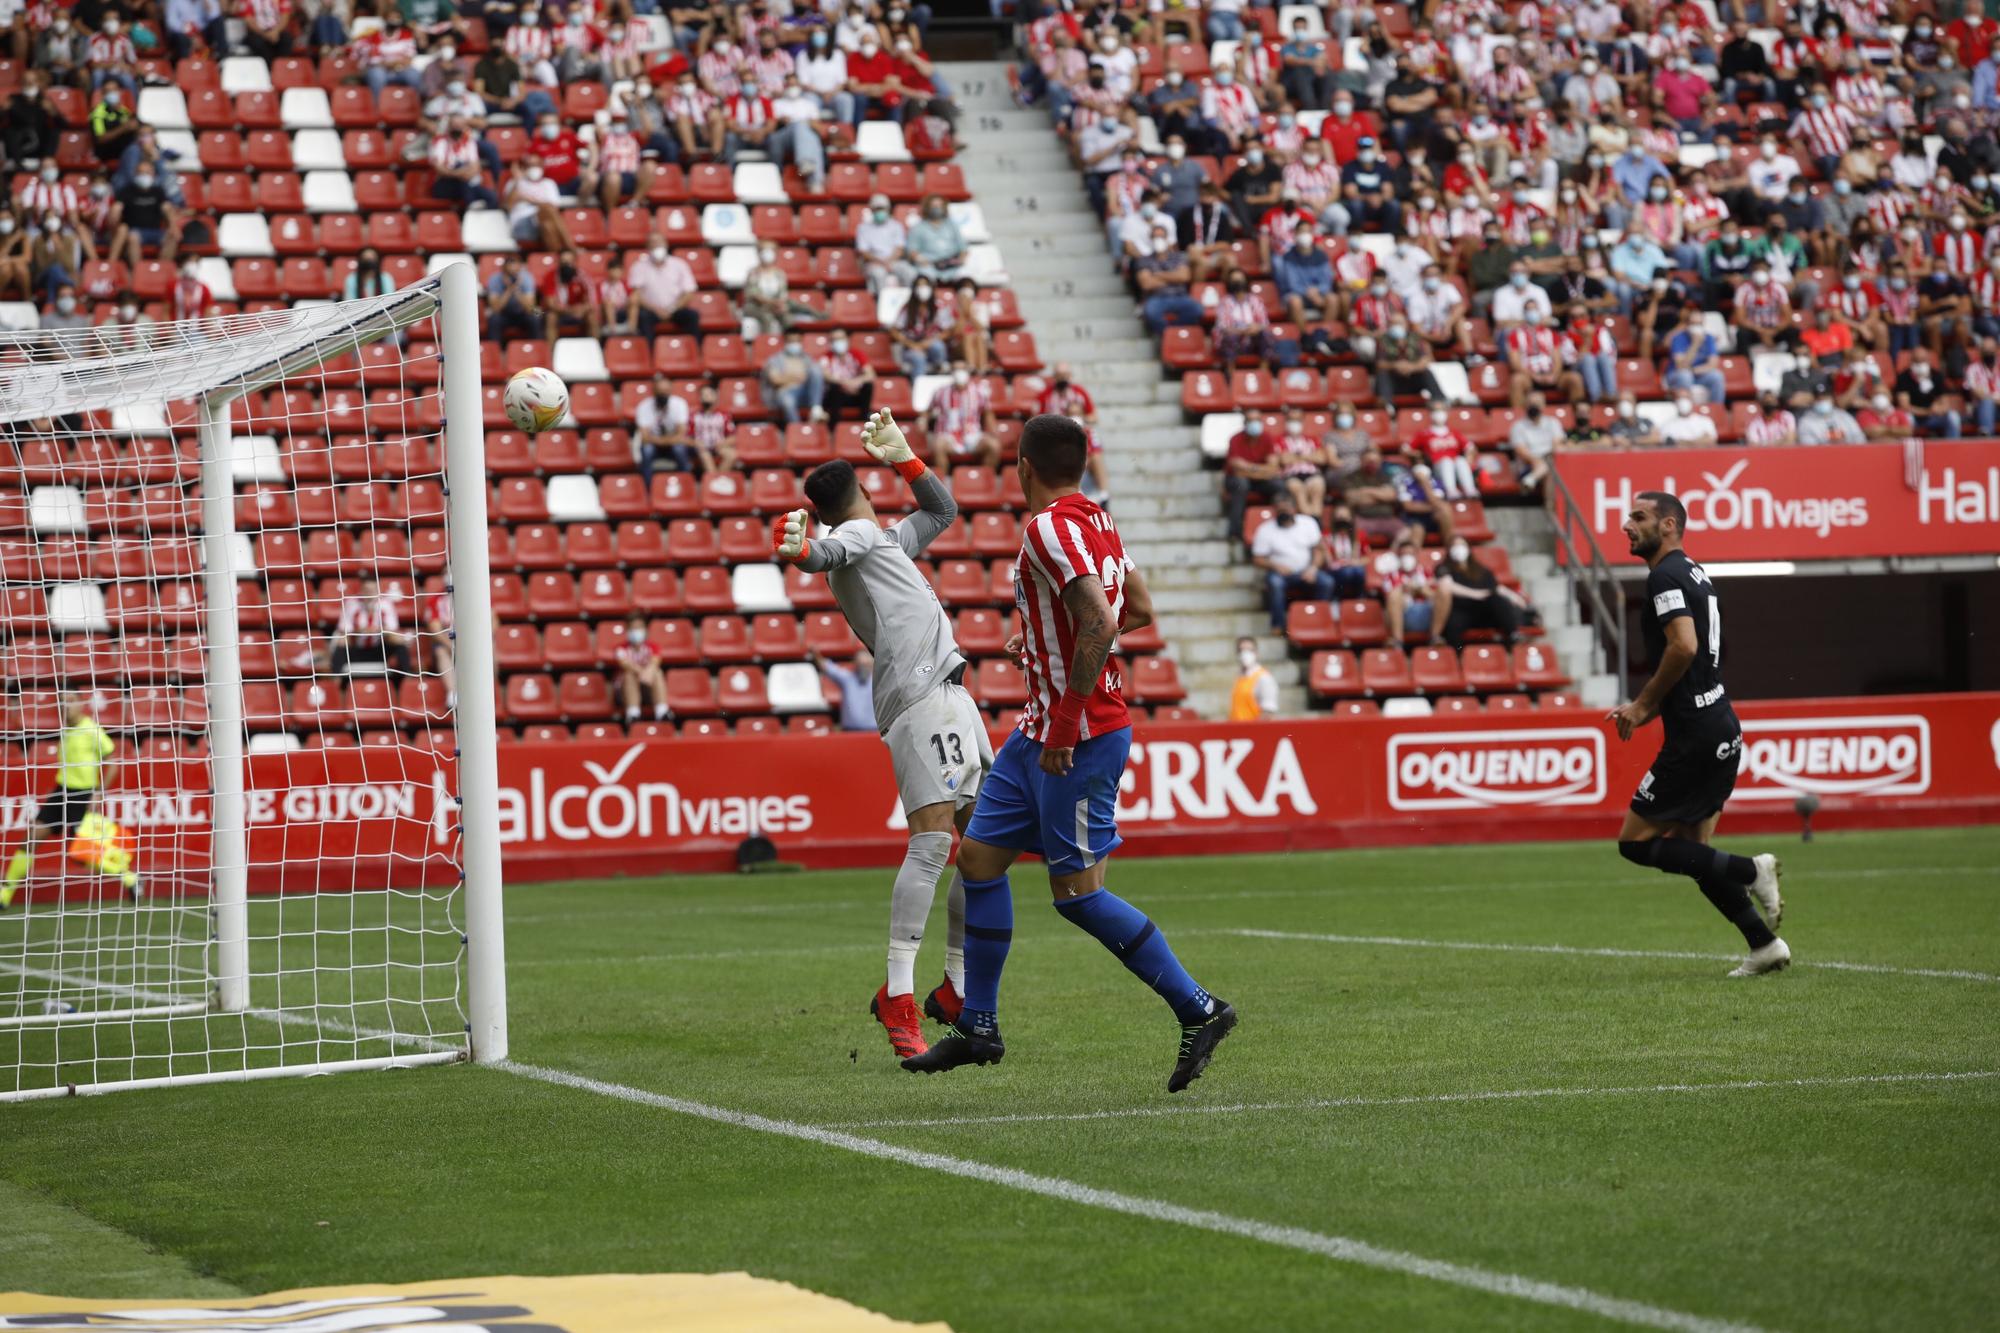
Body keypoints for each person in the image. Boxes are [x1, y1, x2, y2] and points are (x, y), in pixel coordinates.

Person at [904, 415, 1233, 1091]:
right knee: (978, 857)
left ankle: (1200, 1009)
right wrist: (1050, 642)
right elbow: (1133, 605)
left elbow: (1106, 619)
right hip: (1040, 730)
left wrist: (1068, 716)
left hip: (1075, 736)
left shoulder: (1048, 527)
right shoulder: (1097, 522)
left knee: (1079, 896)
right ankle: (980, 1026)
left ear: (1022, 464)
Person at [772, 413, 988, 1060]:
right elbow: (825, 553)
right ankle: (900, 992)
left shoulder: (883, 542)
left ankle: (954, 988)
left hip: (953, 698)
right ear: (858, 491)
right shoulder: (860, 535)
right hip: (923, 699)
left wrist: (908, 458)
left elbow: (942, 510)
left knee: (986, 848)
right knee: (932, 846)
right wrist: (803, 551)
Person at [1609, 492, 1789, 978]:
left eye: (1639, 517)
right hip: (1719, 724)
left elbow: (1684, 645)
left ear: (1669, 525)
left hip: (1694, 735)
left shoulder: (1664, 576)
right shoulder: (1693, 571)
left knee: (1634, 844)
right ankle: (1764, 945)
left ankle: (1752, 870)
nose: (1627, 524)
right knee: (1696, 852)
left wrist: (1645, 704)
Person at [1, 694, 139, 909]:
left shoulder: (91, 729)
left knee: (80, 854)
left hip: (82, 795)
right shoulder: (65, 729)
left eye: (72, 700)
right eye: (62, 701)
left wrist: (98, 792)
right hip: (60, 792)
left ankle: (128, 877)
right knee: (31, 837)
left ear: (81, 704)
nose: (66, 705)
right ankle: (5, 893)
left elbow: (113, 763)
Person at [1250, 491, 1337, 631]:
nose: (1283, 512)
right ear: (1274, 510)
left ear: (1294, 509)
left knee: (1327, 582)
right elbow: (1258, 559)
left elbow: (1319, 550)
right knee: (1275, 583)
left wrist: (1313, 568)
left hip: (1306, 570)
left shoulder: (1308, 523)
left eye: (1286, 509)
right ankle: (1278, 625)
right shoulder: (1265, 529)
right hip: (1280, 573)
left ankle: (1318, 621)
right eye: (1279, 510)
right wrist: (1275, 566)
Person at [1437, 539, 1528, 648]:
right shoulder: (1444, 568)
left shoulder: (1481, 570)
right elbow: (1447, 585)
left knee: (1498, 601)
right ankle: (1457, 657)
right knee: (1453, 625)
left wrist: (1514, 596)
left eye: (1461, 545)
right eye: (1455, 546)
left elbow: (1495, 588)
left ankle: (1514, 635)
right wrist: (1476, 594)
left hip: (1482, 610)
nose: (1458, 549)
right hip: (1460, 610)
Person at [1376, 529, 1450, 643]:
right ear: (1398, 556)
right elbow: (1390, 598)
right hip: (1404, 615)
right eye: (1404, 554)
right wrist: (1411, 589)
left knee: (1445, 590)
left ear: (1416, 555)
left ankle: (1435, 637)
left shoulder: (1427, 573)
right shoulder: (1391, 576)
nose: (1407, 557)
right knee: (1395, 594)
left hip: (1427, 613)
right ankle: (1397, 640)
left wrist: (1419, 590)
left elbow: (1437, 597)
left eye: (1410, 554)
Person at [330, 576, 413, 676]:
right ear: (361, 590)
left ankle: (408, 680)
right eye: (367, 590)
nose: (369, 594)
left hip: (379, 649)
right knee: (342, 642)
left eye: (372, 590)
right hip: (356, 649)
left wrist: (378, 630)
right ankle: (335, 684)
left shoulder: (386, 604)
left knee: (398, 642)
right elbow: (344, 629)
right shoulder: (351, 603)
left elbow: (392, 630)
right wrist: (361, 631)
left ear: (378, 590)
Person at [926, 362, 1000, 471]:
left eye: (962, 369)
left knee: (994, 446)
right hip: (948, 435)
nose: (959, 372)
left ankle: (984, 481)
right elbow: (928, 410)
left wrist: (994, 431)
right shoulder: (940, 392)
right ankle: (942, 485)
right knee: (938, 446)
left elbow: (987, 413)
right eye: (956, 369)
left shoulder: (979, 392)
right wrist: (923, 420)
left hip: (973, 435)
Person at [628, 235, 701, 338]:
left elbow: (689, 293)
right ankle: (648, 352)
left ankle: (694, 350)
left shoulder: (679, 264)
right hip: (651, 310)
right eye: (653, 243)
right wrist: (656, 309)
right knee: (642, 318)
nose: (657, 245)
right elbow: (636, 294)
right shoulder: (639, 266)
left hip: (675, 309)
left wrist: (672, 309)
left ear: (666, 244)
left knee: (692, 316)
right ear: (647, 246)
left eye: (659, 242)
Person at [634, 375, 694, 485]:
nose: (663, 394)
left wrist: (662, 440)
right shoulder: (644, 406)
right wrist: (669, 440)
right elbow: (645, 438)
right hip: (655, 446)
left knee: (680, 449)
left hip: (671, 445)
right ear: (653, 391)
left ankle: (685, 485)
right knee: (647, 450)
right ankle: (648, 489)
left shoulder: (679, 404)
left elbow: (681, 434)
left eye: (665, 391)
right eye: (660, 391)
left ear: (671, 391)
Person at [613, 616, 670, 722]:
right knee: (629, 674)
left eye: (639, 627)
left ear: (645, 630)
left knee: (657, 673)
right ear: (628, 630)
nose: (636, 631)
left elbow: (655, 662)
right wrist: (642, 672)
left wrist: (648, 672)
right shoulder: (620, 649)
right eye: (633, 628)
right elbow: (626, 664)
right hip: (624, 691)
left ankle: (662, 712)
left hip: (647, 688)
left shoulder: (653, 647)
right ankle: (633, 714)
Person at [761, 333, 825, 426]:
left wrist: (788, 376)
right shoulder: (775, 359)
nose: (794, 344)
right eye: (791, 341)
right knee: (787, 401)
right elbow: (775, 380)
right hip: (785, 392)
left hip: (804, 393)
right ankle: (797, 429)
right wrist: (796, 377)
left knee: (816, 369)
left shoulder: (806, 358)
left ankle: (816, 409)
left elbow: (814, 377)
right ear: (785, 342)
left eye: (797, 341)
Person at [810, 648, 878, 732]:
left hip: (874, 732)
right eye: (860, 664)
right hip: (849, 731)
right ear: (855, 663)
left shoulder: (879, 681)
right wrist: (815, 653)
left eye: (866, 664)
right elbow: (825, 666)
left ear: (872, 664)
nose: (863, 666)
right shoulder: (848, 678)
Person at [1229, 636, 1280, 721]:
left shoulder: (1264, 678)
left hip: (1252, 730)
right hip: (1237, 730)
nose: (1245, 654)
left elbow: (1268, 712)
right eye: (1241, 650)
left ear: (1256, 653)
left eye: (1249, 650)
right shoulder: (1239, 677)